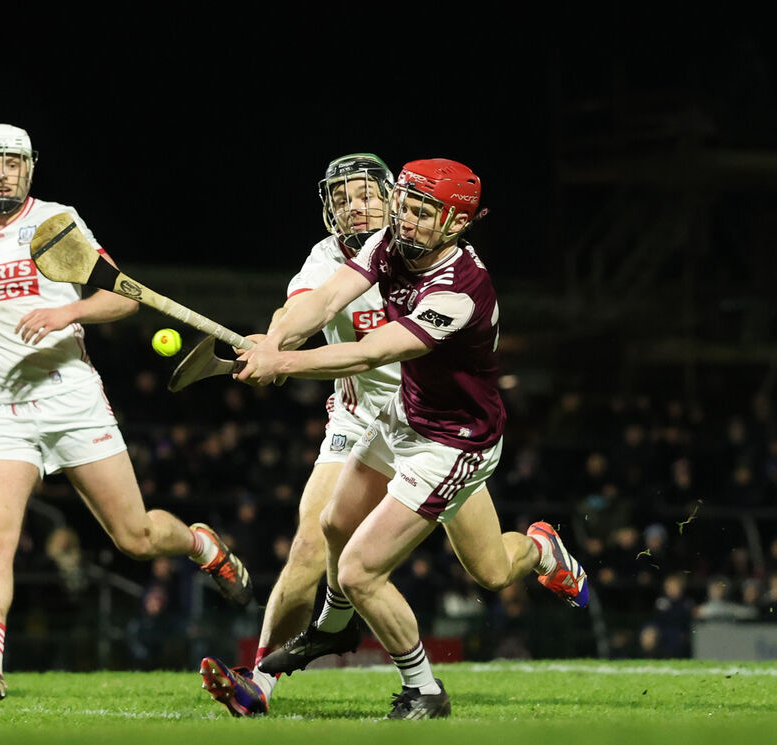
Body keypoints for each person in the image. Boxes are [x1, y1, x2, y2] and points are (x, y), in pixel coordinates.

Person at [234, 159, 588, 719]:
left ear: (455, 225)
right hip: (404, 413)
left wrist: (285, 361)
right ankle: (330, 631)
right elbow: (323, 302)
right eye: (404, 203)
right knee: (330, 524)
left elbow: (371, 352)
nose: (404, 218)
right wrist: (274, 340)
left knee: (381, 571)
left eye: (422, 212)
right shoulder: (391, 241)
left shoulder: (459, 293)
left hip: (452, 440)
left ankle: (425, 688)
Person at [0, 123, 253, 701]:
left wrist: (63, 315)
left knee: (137, 537)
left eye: (12, 163)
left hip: (72, 398)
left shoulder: (57, 223)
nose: (2, 172)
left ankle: (203, 546)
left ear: (30, 168)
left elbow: (124, 294)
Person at [198, 154, 401, 717]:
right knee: (308, 549)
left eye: (364, 194)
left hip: (432, 426)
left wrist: (282, 356)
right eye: (341, 198)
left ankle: (537, 552)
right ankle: (260, 680)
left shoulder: (418, 254)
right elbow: (302, 308)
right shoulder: (325, 255)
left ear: (390, 198)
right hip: (357, 422)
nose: (353, 206)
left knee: (489, 568)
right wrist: (274, 342)